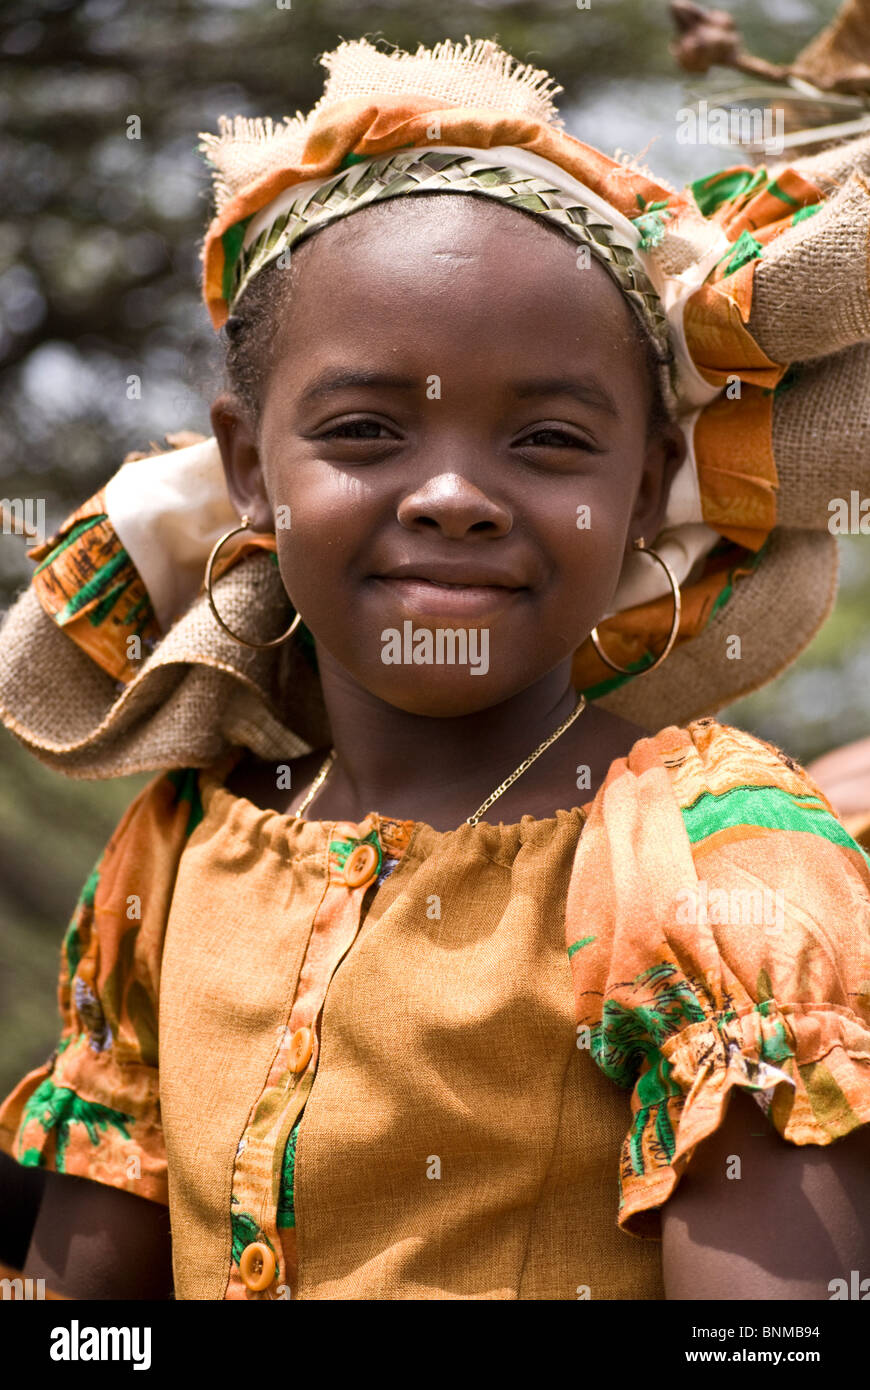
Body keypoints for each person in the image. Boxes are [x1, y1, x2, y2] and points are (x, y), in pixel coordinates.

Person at [0, 35, 869, 1302]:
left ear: (643, 484)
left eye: (549, 438)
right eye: (365, 431)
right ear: (250, 468)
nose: (455, 494)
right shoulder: (179, 853)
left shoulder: (719, 869)